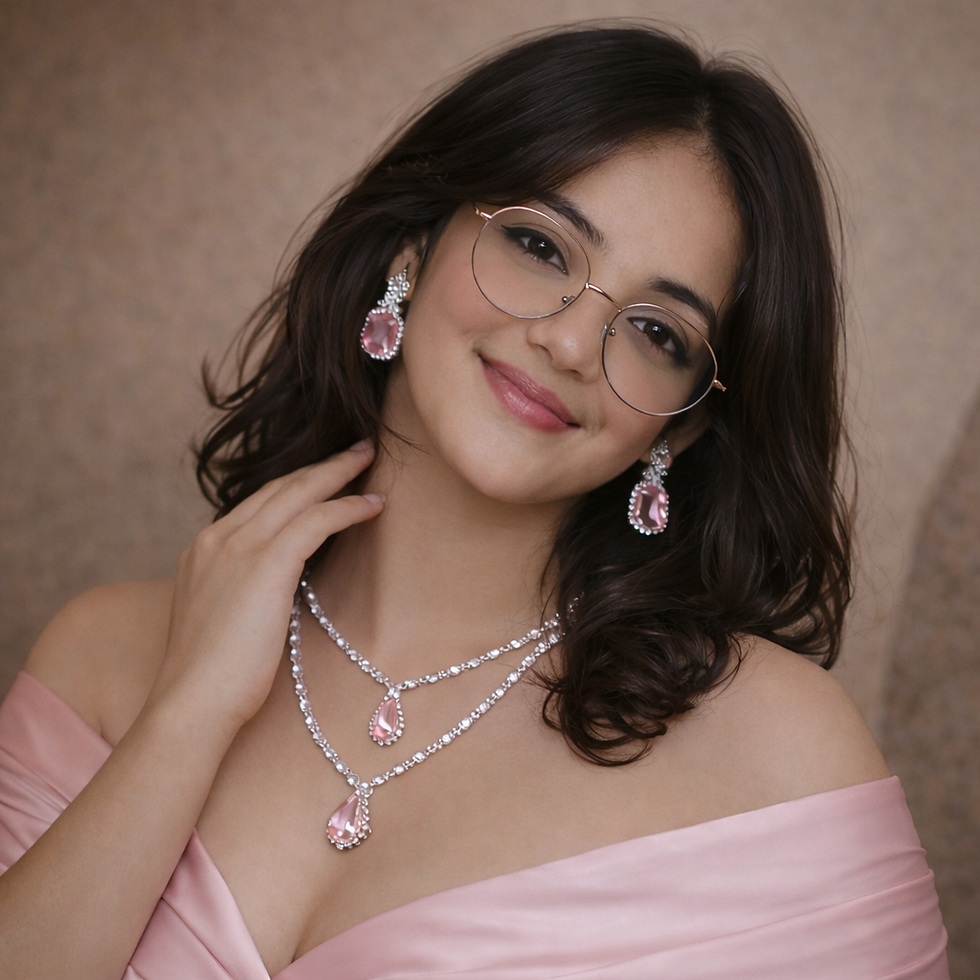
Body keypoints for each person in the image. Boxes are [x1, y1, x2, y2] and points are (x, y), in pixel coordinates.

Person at [0, 22, 948, 980]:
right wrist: (187, 713)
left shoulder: (782, 758)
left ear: (685, 425)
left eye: (657, 333)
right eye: (540, 246)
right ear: (413, 249)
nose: (570, 345)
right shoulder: (104, 660)